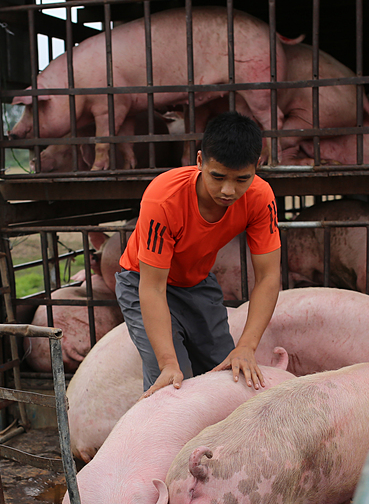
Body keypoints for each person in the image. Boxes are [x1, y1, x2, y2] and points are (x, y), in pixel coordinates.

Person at [115, 111, 282, 398]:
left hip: (197, 282)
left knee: (227, 372)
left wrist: (247, 346)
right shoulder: (163, 198)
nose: (228, 190)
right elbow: (152, 288)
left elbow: (268, 276)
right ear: (200, 161)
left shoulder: (260, 197)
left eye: (242, 179)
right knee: (172, 386)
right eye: (217, 177)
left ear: (257, 166)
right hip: (143, 281)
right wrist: (168, 363)